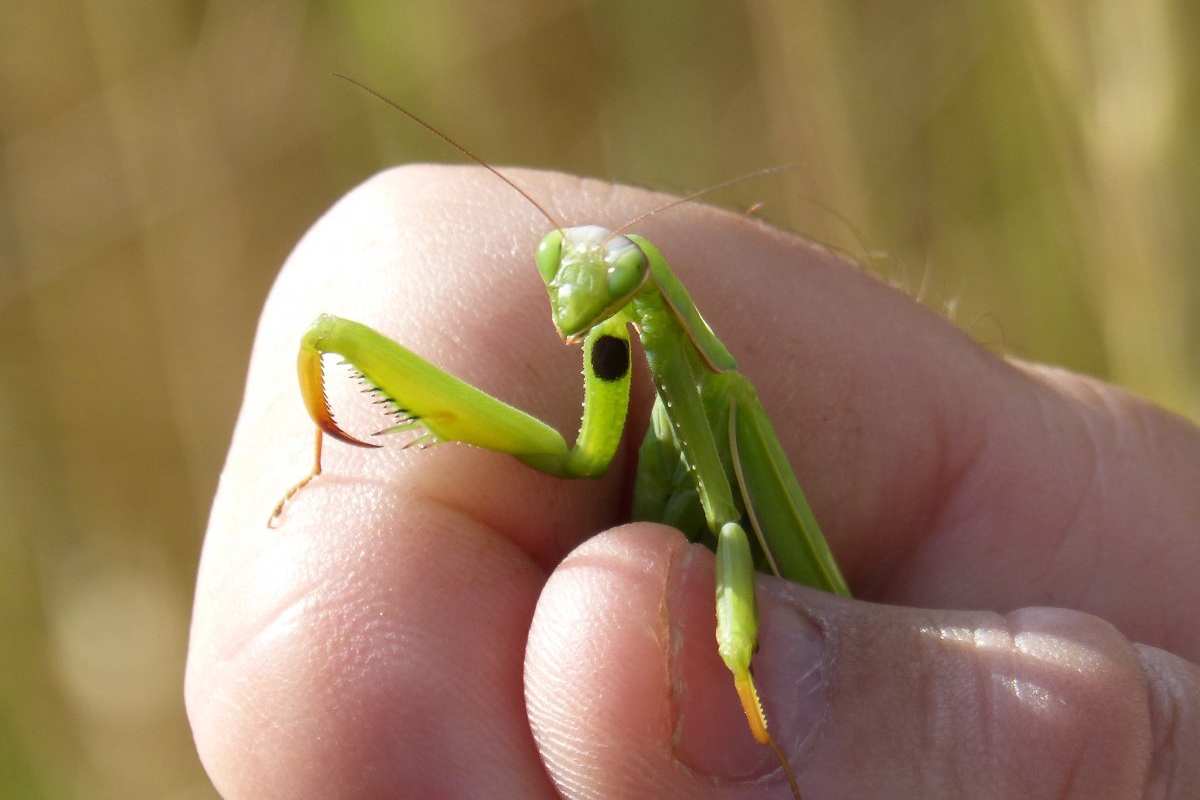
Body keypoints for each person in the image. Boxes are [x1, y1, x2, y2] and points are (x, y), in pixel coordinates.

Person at [186, 166, 1199, 798]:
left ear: (647, 292)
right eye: (556, 273)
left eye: (603, 286)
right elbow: (578, 456)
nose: (570, 303)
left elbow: (729, 535)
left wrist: (780, 732)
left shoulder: (731, 406)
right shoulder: (628, 352)